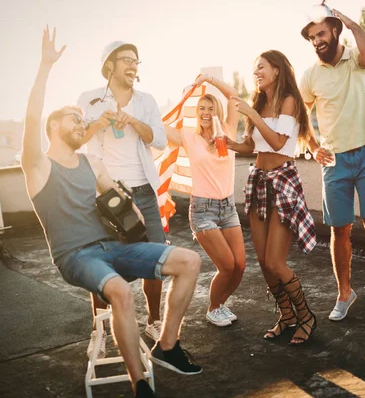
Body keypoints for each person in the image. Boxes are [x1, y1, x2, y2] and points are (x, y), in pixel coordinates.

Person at [21, 28, 202, 397]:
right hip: (76, 254)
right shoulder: (37, 166)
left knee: (189, 261)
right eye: (72, 117)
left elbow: (116, 187)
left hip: (111, 244)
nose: (80, 120)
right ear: (53, 127)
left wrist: (129, 203)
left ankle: (166, 344)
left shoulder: (90, 163)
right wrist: (44, 67)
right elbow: (32, 119)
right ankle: (140, 385)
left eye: (80, 117)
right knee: (120, 290)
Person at [299, 2, 365, 321]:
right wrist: (313, 147)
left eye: (321, 33)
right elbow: (301, 117)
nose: (316, 41)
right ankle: (345, 293)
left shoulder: (356, 58)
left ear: (335, 31)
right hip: (334, 161)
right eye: (311, 37)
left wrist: (348, 21)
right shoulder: (310, 75)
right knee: (339, 229)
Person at [77, 41, 167, 357]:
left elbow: (160, 139)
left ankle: (154, 320)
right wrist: (96, 124)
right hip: (105, 194)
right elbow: (76, 139)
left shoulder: (146, 101)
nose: (133, 66)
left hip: (143, 191)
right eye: (126, 60)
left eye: (136, 61)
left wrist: (133, 121)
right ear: (110, 65)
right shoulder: (88, 100)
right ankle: (99, 330)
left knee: (155, 258)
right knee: (101, 262)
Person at [226, 50, 317, 346]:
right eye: (254, 69)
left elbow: (279, 143)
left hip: (282, 182)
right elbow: (252, 145)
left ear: (277, 70)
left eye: (261, 67)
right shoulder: (259, 102)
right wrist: (227, 143)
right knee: (264, 264)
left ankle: (306, 317)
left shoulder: (289, 101)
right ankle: (287, 316)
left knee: (277, 262)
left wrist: (252, 115)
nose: (256, 73)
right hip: (259, 182)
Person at [164, 75, 246, 327]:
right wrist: (185, 96)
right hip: (202, 210)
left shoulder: (229, 132)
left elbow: (234, 95)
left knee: (240, 265)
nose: (206, 113)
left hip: (228, 207)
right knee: (227, 265)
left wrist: (209, 79)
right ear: (196, 112)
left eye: (211, 108)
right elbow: (159, 128)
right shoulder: (189, 138)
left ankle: (220, 304)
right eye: (202, 108)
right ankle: (213, 308)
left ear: (217, 112)